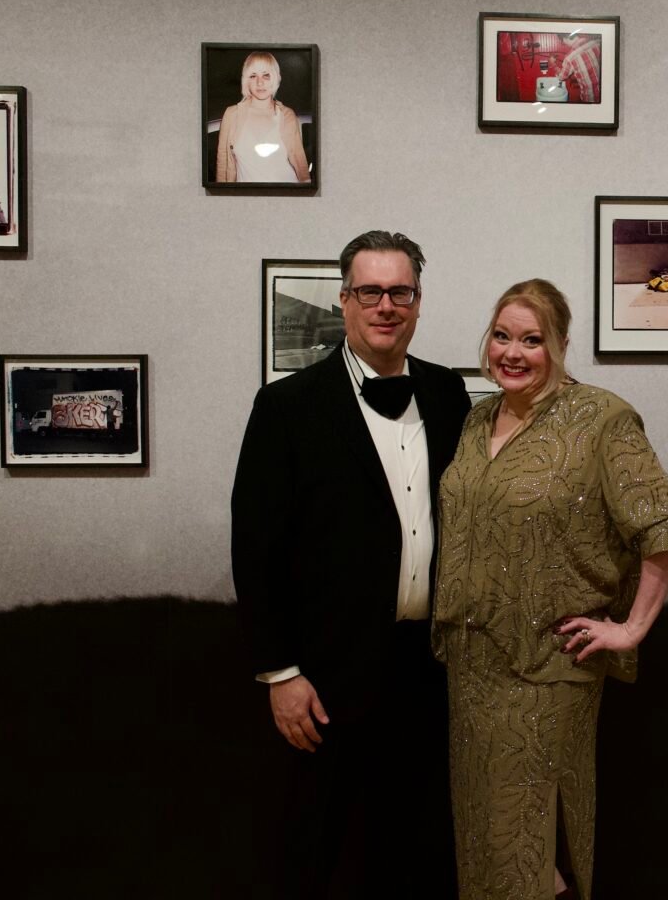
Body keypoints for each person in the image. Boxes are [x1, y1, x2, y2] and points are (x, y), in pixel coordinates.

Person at [431, 279, 668, 900]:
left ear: (560, 345)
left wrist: (629, 628)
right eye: (502, 336)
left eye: (532, 340)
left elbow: (665, 523)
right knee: (485, 830)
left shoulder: (601, 417)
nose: (513, 352)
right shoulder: (477, 419)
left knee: (523, 831)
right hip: (471, 669)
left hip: (549, 667)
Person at [232, 230, 470, 899]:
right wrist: (281, 671)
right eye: (370, 291)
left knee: (414, 847)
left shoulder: (449, 393)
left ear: (419, 302)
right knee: (316, 851)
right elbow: (256, 547)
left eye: (400, 291)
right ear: (344, 301)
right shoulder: (286, 406)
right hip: (327, 677)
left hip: (431, 667)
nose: (385, 305)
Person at [216, 51, 310, 183]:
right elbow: (222, 162)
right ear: (246, 80)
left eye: (266, 75)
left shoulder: (287, 115)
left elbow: (300, 161)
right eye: (253, 76)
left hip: (288, 195)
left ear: (276, 78)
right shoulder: (232, 115)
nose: (260, 83)